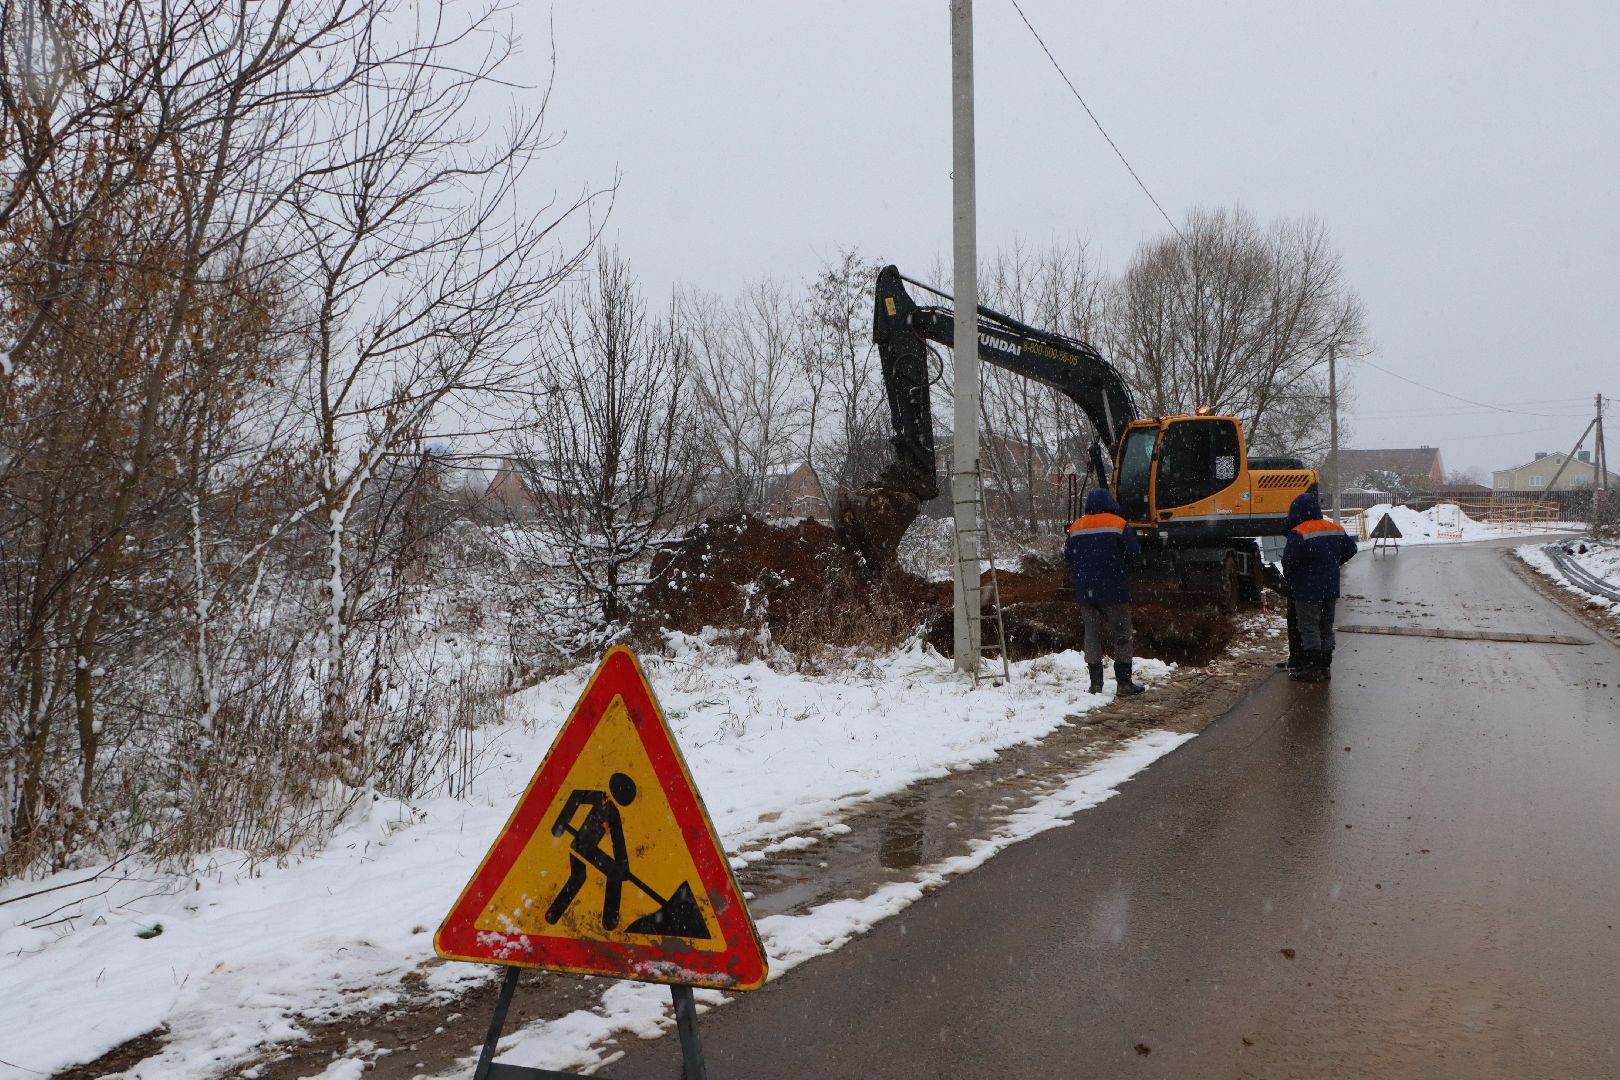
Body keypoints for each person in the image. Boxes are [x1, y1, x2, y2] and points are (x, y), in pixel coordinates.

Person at [1064, 487, 1144, 697]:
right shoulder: (1119, 524)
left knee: (1091, 635)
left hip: (1086, 592)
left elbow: (1068, 556)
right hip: (1114, 590)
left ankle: (1095, 684)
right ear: (1110, 502)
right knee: (1122, 634)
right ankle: (1124, 683)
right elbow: (1133, 554)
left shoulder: (1077, 526)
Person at [1281, 491, 1359, 682]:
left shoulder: (1299, 532)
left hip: (1306, 590)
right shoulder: (1335, 528)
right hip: (1330, 588)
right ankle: (1325, 668)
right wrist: (1333, 564)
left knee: (1309, 627)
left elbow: (1289, 562)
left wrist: (1293, 578)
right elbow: (1352, 549)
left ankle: (1312, 669)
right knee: (1326, 627)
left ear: (1297, 512)